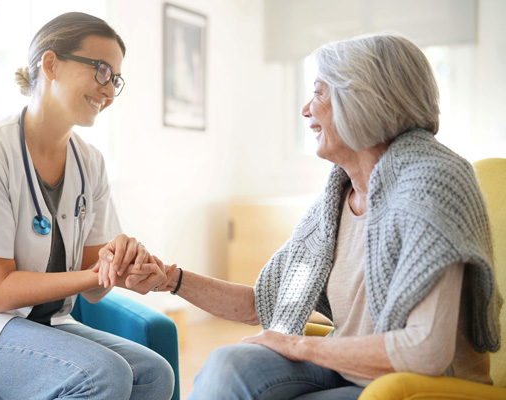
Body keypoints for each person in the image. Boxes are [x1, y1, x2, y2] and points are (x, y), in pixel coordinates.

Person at [140, 33, 502, 399]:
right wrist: (170, 279)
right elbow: (265, 303)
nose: (306, 109)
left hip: (424, 386)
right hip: (348, 371)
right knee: (228, 364)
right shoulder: (335, 201)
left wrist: (300, 347)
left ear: (362, 98)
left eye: (318, 92)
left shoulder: (433, 184)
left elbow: (424, 351)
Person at [0, 12, 175, 400]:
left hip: (43, 324)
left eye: (115, 78)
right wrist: (98, 274)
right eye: (101, 71)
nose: (110, 91)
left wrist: (126, 266)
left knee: (153, 373)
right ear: (50, 64)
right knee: (102, 374)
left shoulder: (90, 162)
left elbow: (96, 271)